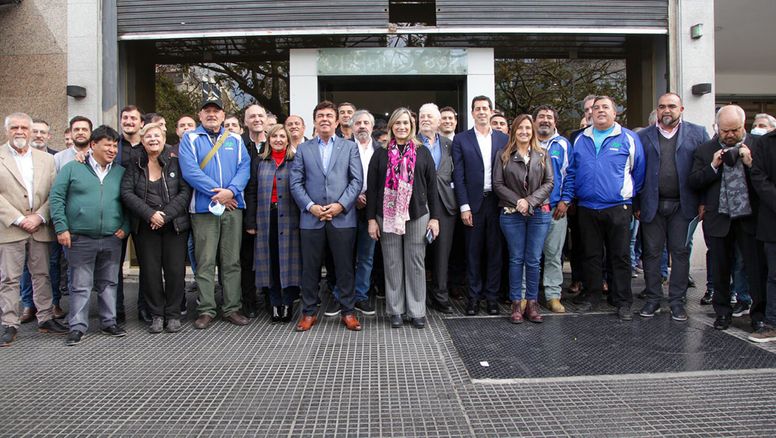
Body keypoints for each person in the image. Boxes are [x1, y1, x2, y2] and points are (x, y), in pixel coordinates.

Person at [564, 95, 645, 321]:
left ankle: (622, 300)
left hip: (618, 207)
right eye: (596, 107)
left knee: (619, 255)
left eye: (605, 107)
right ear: (590, 113)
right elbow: (571, 172)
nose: (600, 111)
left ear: (615, 112)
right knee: (591, 255)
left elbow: (638, 172)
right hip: (587, 207)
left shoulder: (628, 138)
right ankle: (592, 296)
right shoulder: (580, 139)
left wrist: (628, 198)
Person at [49, 125, 130, 346]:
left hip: (112, 238)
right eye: (108, 145)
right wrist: (61, 227)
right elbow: (56, 198)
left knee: (109, 283)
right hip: (80, 237)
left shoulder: (120, 172)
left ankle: (108, 322)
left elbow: (129, 202)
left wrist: (126, 226)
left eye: (115, 145)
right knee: (81, 285)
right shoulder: (72, 168)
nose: (112, 149)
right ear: (93, 145)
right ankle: (77, 327)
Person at [178, 92, 252, 329]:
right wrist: (220, 194)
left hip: (232, 207)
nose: (212, 114)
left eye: (216, 111)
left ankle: (232, 307)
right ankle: (206, 309)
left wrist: (231, 191)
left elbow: (244, 169)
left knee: (231, 261)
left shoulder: (236, 140)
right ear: (200, 115)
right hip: (203, 209)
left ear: (223, 115)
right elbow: (190, 172)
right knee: (205, 261)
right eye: (207, 111)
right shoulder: (189, 139)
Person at [689, 105, 766, 332]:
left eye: (735, 130)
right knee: (720, 268)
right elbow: (693, 181)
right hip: (719, 219)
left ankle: (758, 314)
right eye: (725, 131)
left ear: (745, 126)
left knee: (755, 269)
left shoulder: (758, 146)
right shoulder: (705, 150)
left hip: (749, 219)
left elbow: (768, 180)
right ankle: (722, 312)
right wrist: (713, 165)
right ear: (717, 128)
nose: (730, 135)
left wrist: (751, 164)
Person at [289, 100, 363, 332]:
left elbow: (356, 180)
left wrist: (341, 205)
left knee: (344, 268)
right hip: (311, 218)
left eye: (329, 116)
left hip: (342, 218)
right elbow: (295, 182)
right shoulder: (304, 148)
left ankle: (348, 312)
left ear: (337, 120)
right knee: (310, 269)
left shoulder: (349, 147)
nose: (325, 119)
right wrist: (310, 206)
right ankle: (309, 313)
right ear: (314, 121)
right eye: (320, 115)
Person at [635, 93, 709, 321]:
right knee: (652, 254)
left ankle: (677, 302)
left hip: (684, 206)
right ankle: (653, 299)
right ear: (657, 110)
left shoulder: (698, 133)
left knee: (680, 253)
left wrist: (704, 201)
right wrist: (637, 203)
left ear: (682, 109)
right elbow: (636, 172)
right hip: (652, 205)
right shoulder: (644, 136)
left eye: (671, 106)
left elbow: (705, 169)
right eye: (662, 107)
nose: (666, 110)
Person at [367, 107, 439, 329]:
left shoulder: (422, 152)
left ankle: (417, 311)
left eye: (405, 123)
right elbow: (372, 189)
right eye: (397, 123)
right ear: (391, 127)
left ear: (412, 126)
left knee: (416, 262)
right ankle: (395, 310)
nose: (401, 127)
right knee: (392, 262)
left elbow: (433, 188)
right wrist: (371, 219)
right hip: (386, 215)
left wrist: (435, 218)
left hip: (417, 214)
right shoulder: (380, 153)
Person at [0, 112, 68, 347]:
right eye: (15, 127)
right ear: (7, 130)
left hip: (39, 227)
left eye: (24, 128)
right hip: (10, 227)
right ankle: (9, 323)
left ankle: (46, 318)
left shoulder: (46, 159)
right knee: (9, 278)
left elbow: (54, 193)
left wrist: (39, 216)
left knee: (43, 275)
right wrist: (19, 219)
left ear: (30, 132)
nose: (20, 132)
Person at [121, 123, 192, 334]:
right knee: (150, 272)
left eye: (157, 136)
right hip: (145, 226)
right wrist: (150, 214)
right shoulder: (134, 164)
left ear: (164, 139)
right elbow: (127, 193)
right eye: (148, 136)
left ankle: (172, 314)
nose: (153, 139)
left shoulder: (176, 161)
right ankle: (156, 315)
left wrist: (165, 215)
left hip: (174, 225)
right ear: (142, 141)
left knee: (175, 271)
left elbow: (185, 191)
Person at [452, 96, 509, 316]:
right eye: (478, 109)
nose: (482, 112)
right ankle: (474, 298)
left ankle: (492, 299)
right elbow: (459, 174)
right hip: (473, 204)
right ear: (472, 112)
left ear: (491, 111)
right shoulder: (461, 139)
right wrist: (464, 206)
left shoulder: (503, 139)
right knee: (473, 253)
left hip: (497, 203)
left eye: (485, 108)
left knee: (495, 253)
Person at [494, 114, 554, 324]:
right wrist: (518, 201)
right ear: (514, 131)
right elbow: (498, 184)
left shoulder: (543, 154)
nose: (524, 132)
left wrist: (529, 201)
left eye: (528, 128)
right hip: (512, 214)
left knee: (534, 259)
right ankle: (516, 303)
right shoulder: (503, 155)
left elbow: (549, 183)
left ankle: (532, 302)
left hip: (538, 213)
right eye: (520, 128)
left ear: (533, 130)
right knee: (516, 258)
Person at [245, 124, 301, 323]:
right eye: (274, 136)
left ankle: (288, 303)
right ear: (269, 140)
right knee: (272, 261)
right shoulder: (260, 162)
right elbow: (251, 192)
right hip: (266, 218)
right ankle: (274, 302)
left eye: (282, 136)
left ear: (288, 140)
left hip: (291, 219)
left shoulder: (295, 161)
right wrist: (251, 221)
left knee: (289, 262)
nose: (278, 139)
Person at [418, 103, 455, 314]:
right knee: (418, 252)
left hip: (444, 204)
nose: (425, 119)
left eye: (430, 116)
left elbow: (456, 174)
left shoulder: (449, 144)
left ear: (439, 121)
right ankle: (418, 297)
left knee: (442, 253)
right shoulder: (412, 144)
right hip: (417, 205)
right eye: (422, 116)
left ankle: (440, 295)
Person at [534, 105, 572, 314]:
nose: (545, 120)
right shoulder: (526, 143)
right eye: (541, 117)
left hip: (555, 209)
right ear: (534, 121)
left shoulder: (563, 145)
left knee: (553, 255)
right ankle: (526, 296)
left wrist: (565, 201)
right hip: (531, 210)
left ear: (555, 122)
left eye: (549, 117)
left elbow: (570, 175)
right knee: (529, 256)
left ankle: (553, 295)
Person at [117, 105, 146, 322]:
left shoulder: (147, 147)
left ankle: (145, 308)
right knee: (114, 266)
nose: (129, 121)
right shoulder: (112, 145)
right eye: (125, 118)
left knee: (146, 263)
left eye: (133, 118)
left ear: (141, 123)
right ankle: (116, 310)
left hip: (143, 212)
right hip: (116, 211)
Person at [239, 104, 268, 318]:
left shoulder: (274, 143)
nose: (257, 119)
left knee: (268, 256)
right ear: (245, 121)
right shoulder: (238, 144)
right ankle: (249, 301)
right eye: (252, 116)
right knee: (246, 259)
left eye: (260, 115)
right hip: (243, 210)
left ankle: (269, 299)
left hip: (270, 210)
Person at [750, 127, 776, 342]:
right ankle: (772, 323)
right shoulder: (765, 143)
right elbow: (758, 177)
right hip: (772, 220)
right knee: (773, 276)